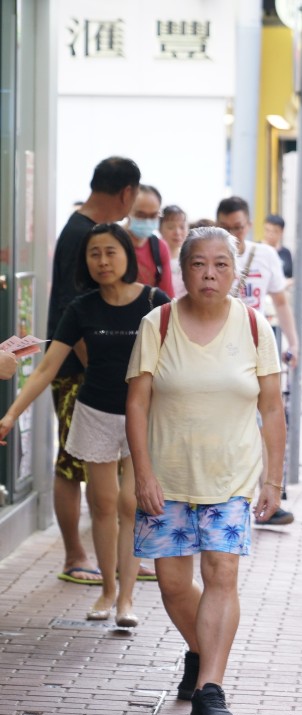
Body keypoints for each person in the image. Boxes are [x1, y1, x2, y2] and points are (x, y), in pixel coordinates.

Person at [126, 226, 285, 715]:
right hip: (166, 476)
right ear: (183, 268)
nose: (209, 273)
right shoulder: (160, 322)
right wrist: (143, 474)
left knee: (221, 574)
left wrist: (273, 481)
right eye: (199, 263)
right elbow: (136, 403)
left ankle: (210, 686)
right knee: (173, 584)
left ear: (235, 272)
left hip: (231, 477)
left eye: (221, 264)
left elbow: (272, 410)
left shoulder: (256, 328)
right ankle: (200, 649)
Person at [1, 223, 171, 625]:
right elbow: (45, 369)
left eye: (111, 251)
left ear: (127, 254)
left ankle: (126, 599)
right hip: (94, 411)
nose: (103, 261)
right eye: (94, 253)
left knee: (131, 504)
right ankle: (107, 590)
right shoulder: (80, 308)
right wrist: (10, 415)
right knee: (103, 505)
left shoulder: (155, 301)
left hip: (143, 415)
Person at [46, 156, 140, 587]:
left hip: (93, 377)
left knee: (113, 480)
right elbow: (76, 316)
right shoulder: (81, 236)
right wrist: (98, 368)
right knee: (71, 463)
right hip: (75, 375)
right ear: (127, 193)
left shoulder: (81, 230)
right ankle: (74, 555)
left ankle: (119, 558)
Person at [215, 196, 298, 526]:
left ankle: (267, 495)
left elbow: (280, 299)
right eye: (226, 227)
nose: (233, 234)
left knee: (267, 417)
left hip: (256, 345)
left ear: (248, 225)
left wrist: (294, 342)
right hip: (218, 349)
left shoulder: (265, 256)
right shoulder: (209, 255)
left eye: (238, 227)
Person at [126, 184, 176, 299]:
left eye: (153, 215)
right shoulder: (113, 243)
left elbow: (167, 295)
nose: (147, 221)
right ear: (128, 210)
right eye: (141, 215)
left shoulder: (159, 247)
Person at [159, 204, 188, 298]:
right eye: (171, 227)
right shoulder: (154, 259)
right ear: (160, 229)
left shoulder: (190, 259)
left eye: (182, 227)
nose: (177, 232)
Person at [261, 214, 293, 279]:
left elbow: (291, 277)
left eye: (275, 231)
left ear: (282, 232)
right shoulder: (256, 249)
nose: (270, 234)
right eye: (267, 230)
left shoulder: (286, 253)